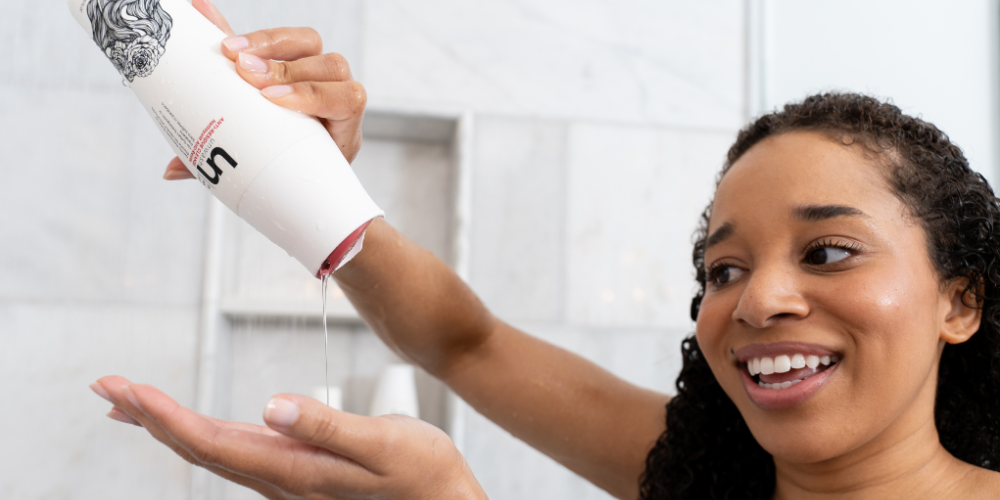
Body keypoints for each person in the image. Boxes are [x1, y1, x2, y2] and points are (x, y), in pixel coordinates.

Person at [89, 0, 1000, 498]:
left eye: (828, 252)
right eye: (723, 269)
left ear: (959, 301)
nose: (758, 300)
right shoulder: (699, 472)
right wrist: (297, 178)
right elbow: (466, 343)